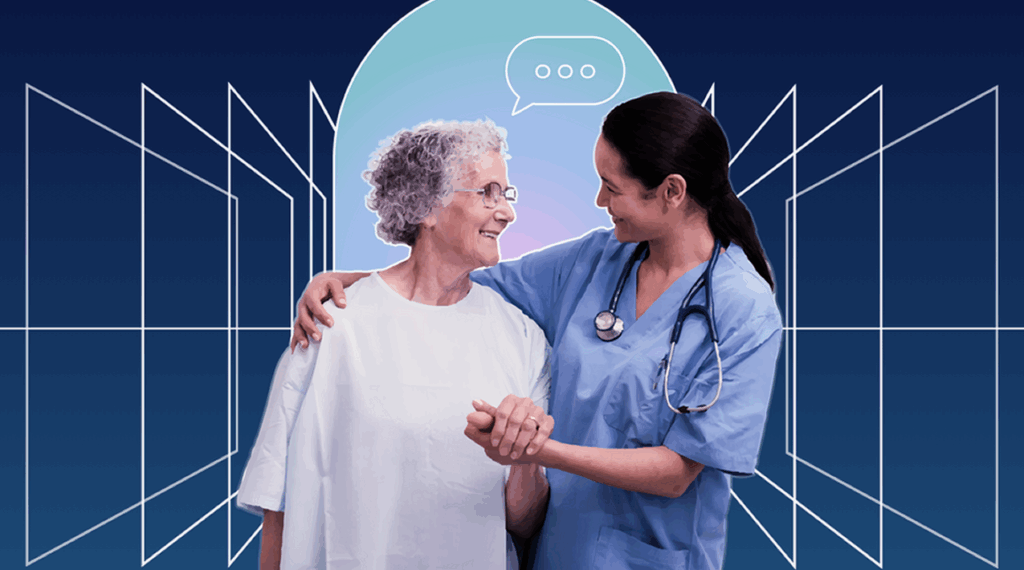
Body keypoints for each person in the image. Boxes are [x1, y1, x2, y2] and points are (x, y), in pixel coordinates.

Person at [292, 92, 783, 570]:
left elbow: (678, 473)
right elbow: (460, 274)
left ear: (672, 192)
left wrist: (535, 450)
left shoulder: (743, 310)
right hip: (554, 550)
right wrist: (354, 282)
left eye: (612, 188)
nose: (599, 200)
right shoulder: (596, 260)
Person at [236, 119, 554, 570]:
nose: (506, 211)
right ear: (426, 205)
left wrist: (525, 456)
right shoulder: (332, 325)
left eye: (506, 194)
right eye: (487, 192)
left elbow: (523, 521)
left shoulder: (521, 338)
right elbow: (279, 498)